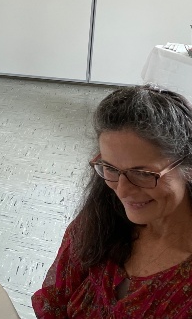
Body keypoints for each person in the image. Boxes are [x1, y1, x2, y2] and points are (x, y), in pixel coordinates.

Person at [32, 85, 192, 318]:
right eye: (110, 168)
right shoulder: (101, 218)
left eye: (143, 173)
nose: (122, 190)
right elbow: (56, 299)